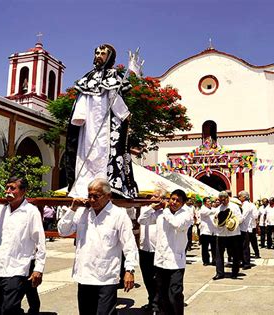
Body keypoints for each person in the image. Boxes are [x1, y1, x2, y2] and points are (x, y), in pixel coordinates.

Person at [65, 43, 139, 199]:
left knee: (103, 152)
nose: (99, 55)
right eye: (97, 53)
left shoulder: (113, 75)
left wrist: (124, 114)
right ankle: (82, 186)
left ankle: (105, 186)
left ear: (109, 57)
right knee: (85, 153)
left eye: (103, 53)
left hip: (107, 125)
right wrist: (79, 116)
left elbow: (114, 97)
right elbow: (82, 98)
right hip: (88, 124)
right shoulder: (88, 77)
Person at [57, 178, 138, 315]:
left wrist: (129, 270)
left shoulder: (119, 215)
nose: (92, 200)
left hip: (106, 276)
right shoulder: (83, 212)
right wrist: (73, 209)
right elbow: (63, 231)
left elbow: (129, 244)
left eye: (96, 196)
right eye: (90, 196)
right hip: (84, 275)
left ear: (108, 196)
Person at [0, 176, 46, 314]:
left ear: (23, 191)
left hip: (17, 269)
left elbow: (40, 242)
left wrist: (38, 269)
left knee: (9, 309)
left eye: (13, 188)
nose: (8, 191)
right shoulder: (0, 210)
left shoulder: (31, 212)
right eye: (7, 187)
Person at [139, 189, 193, 315]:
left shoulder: (186, 214)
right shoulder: (160, 213)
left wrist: (166, 210)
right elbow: (142, 220)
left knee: (175, 293)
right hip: (160, 260)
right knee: (162, 294)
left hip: (175, 261)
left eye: (178, 201)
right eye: (172, 199)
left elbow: (176, 224)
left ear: (183, 203)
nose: (174, 202)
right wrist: (152, 207)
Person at [136, 189, 167, 312]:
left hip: (158, 250)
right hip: (144, 249)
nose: (153, 198)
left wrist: (162, 207)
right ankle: (152, 300)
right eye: (152, 196)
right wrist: (151, 208)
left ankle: (157, 304)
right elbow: (141, 220)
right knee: (147, 278)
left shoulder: (165, 213)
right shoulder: (146, 209)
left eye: (156, 196)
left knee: (158, 279)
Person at [213, 191, 243, 280]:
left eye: (223, 200)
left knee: (235, 254)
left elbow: (240, 218)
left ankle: (234, 272)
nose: (222, 202)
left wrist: (232, 222)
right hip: (221, 234)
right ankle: (220, 273)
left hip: (233, 234)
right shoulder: (218, 209)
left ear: (227, 198)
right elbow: (215, 220)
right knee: (219, 254)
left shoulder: (235, 207)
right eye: (220, 200)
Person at [238, 190, 255, 269]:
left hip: (245, 228)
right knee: (241, 246)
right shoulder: (243, 204)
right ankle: (243, 261)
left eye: (239, 196)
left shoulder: (246, 205)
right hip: (241, 228)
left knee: (245, 246)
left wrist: (236, 222)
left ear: (244, 197)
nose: (238, 198)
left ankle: (246, 263)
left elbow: (243, 216)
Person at [199, 197, 217, 266]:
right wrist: (218, 209)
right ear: (204, 203)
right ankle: (206, 261)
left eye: (210, 201)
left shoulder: (213, 209)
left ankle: (214, 260)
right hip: (205, 231)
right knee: (205, 248)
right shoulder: (203, 209)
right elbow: (210, 212)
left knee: (214, 247)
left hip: (213, 231)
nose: (210, 202)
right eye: (208, 201)